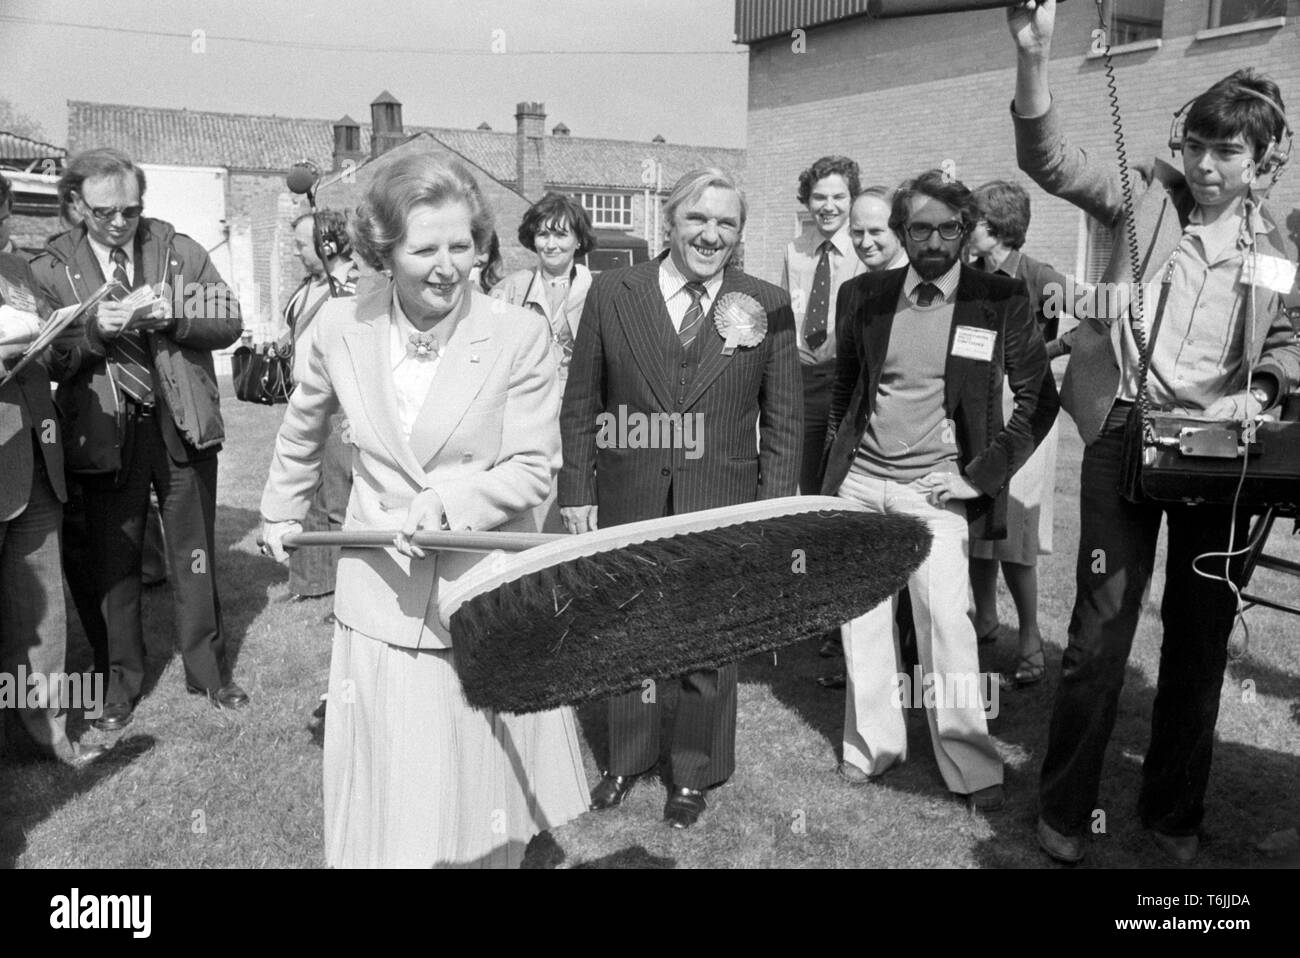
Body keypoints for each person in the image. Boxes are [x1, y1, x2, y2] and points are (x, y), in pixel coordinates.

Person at [1007, 1, 1300, 864]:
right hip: (1125, 433)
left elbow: (1284, 338)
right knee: (1100, 632)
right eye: (1198, 147)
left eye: (1228, 153)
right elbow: (1049, 158)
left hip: (1220, 455)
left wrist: (1268, 388)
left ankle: (1172, 814)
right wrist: (1035, 57)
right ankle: (1064, 810)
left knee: (1201, 633)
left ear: (1261, 163)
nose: (1207, 167)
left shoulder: (1277, 245)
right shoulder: (1144, 199)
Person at [258, 153, 589, 868]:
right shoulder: (339, 327)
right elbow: (302, 425)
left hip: (477, 592)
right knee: (392, 789)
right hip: (378, 593)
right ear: (384, 251)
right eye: (426, 248)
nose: (449, 266)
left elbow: (536, 468)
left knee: (475, 794)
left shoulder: (517, 335)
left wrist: (451, 502)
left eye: (463, 245)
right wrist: (280, 510)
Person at [560, 168, 802, 829]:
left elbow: (784, 419)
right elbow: (582, 401)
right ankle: (628, 757)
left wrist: (771, 510)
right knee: (628, 631)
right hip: (629, 493)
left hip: (721, 499)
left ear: (740, 235)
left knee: (708, 638)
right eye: (698, 218)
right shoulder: (613, 293)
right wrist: (577, 489)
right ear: (667, 223)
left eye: (726, 223)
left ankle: (695, 770)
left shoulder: (767, 302)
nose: (711, 233)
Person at [822, 169, 1059, 810]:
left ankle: (971, 765)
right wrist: (833, 477)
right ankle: (873, 749)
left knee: (946, 626)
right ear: (903, 231)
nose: (933, 240)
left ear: (965, 230)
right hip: (862, 486)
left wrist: (975, 478)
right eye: (919, 227)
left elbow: (1040, 402)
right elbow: (847, 390)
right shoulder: (861, 295)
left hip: (937, 496)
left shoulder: (998, 298)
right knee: (862, 625)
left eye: (947, 228)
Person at [32, 147, 247, 731]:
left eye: (130, 209)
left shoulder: (177, 250)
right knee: (113, 563)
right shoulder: (52, 267)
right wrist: (92, 334)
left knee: (195, 554)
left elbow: (228, 318)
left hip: (179, 424)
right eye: (106, 213)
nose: (121, 222)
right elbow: (46, 358)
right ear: (76, 204)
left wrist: (173, 316)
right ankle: (119, 686)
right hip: (101, 433)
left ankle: (210, 674)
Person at [0, 250, 106, 767]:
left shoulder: (20, 272)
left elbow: (55, 359)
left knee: (41, 617)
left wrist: (65, 337)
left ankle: (47, 738)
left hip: (39, 462)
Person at [966, 179, 1074, 686]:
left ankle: (1030, 636)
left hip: (1027, 412)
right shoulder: (969, 274)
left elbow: (1095, 320)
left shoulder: (1040, 277)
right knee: (980, 521)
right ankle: (984, 620)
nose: (966, 230)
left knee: (1017, 537)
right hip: (981, 408)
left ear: (997, 229)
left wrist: (1042, 353)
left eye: (974, 223)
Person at [277, 209, 358, 605]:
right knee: (308, 495)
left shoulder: (355, 287)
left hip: (341, 406)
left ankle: (350, 590)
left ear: (327, 246)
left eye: (300, 246)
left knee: (340, 500)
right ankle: (313, 582)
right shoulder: (308, 286)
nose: (295, 254)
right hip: (307, 399)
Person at [782, 156, 864, 495]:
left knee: (848, 480)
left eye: (838, 197)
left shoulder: (867, 248)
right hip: (804, 379)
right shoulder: (794, 250)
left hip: (849, 376)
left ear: (852, 200)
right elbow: (787, 312)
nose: (828, 207)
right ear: (807, 200)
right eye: (819, 197)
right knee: (812, 480)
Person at [490, 191, 596, 386]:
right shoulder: (509, 290)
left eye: (561, 235)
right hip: (526, 400)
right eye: (543, 235)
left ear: (578, 240)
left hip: (578, 401)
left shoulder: (598, 292)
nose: (550, 245)